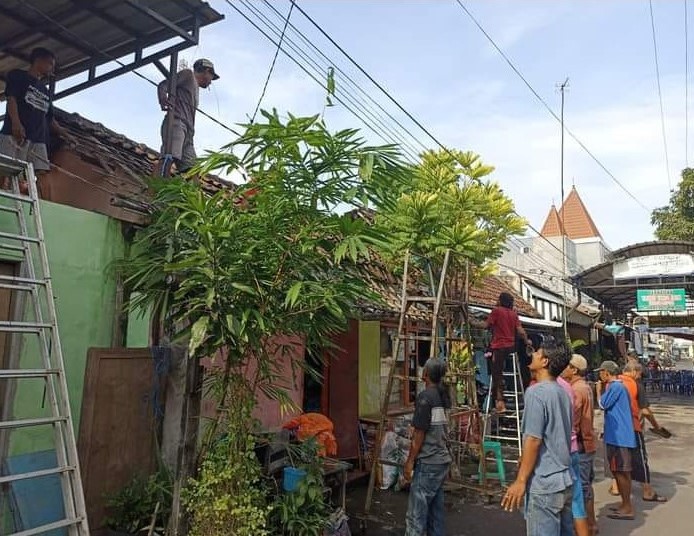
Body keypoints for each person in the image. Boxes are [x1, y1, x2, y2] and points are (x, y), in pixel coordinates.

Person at [501, 339, 573, 536]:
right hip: (564, 479)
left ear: (545, 361)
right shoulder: (563, 392)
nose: (532, 354)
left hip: (545, 482)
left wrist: (520, 481)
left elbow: (533, 439)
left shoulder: (536, 393)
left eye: (537, 352)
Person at [403, 358, 452, 536]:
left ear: (425, 375)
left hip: (429, 461)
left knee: (416, 516)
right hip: (441, 460)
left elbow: (419, 435)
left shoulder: (426, 397)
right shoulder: (443, 395)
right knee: (435, 515)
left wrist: (409, 462)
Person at [607, 362, 668, 503]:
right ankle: (647, 491)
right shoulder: (635, 385)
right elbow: (645, 410)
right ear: (634, 371)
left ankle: (615, 486)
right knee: (640, 459)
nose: (640, 377)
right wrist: (657, 426)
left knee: (618, 460)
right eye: (640, 374)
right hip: (633, 428)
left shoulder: (613, 383)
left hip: (614, 430)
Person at [1, 47, 66, 176]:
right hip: (15, 134)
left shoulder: (45, 91)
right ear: (38, 61)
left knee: (40, 173)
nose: (52, 69)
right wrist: (16, 123)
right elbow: (11, 99)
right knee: (6, 171)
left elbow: (50, 119)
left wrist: (67, 135)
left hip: (37, 140)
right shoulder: (18, 76)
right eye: (50, 64)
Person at [157, 58, 219, 172]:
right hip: (177, 122)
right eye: (211, 77)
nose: (210, 82)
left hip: (189, 131)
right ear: (206, 71)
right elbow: (163, 85)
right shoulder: (188, 75)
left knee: (192, 168)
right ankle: (156, 184)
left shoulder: (195, 88)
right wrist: (163, 98)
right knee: (169, 156)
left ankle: (190, 190)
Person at [562, 354, 597, 534]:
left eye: (567, 365)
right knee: (585, 486)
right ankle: (591, 524)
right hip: (588, 442)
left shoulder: (576, 390)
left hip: (581, 445)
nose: (563, 368)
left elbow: (572, 420)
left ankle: (588, 526)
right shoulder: (585, 387)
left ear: (574, 369)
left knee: (580, 490)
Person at [596, 360, 636, 521]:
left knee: (621, 472)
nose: (599, 375)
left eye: (601, 372)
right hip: (617, 435)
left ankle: (627, 506)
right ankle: (625, 504)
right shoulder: (617, 387)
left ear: (606, 372)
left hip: (620, 437)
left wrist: (598, 391)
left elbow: (603, 404)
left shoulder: (615, 387)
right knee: (620, 471)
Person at [486, 292, 531, 413]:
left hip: (499, 347)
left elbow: (486, 325)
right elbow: (520, 331)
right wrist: (527, 341)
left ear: (500, 300)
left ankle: (500, 402)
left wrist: (471, 321)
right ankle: (503, 400)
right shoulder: (514, 314)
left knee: (496, 374)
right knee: (500, 372)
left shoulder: (496, 311)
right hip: (511, 347)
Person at [556, 372, 589, 536]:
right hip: (574, 445)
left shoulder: (550, 387)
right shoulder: (569, 387)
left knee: (564, 501)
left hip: (561, 450)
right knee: (575, 498)